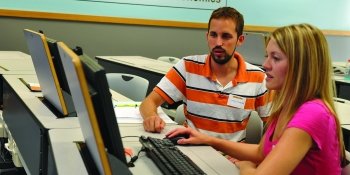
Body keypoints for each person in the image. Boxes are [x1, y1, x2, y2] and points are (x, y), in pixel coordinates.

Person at [166, 23, 346, 174]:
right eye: (267, 55)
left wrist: (245, 165)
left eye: (275, 58)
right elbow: (262, 152)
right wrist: (208, 140)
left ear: (301, 67)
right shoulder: (287, 106)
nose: (266, 65)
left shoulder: (312, 113)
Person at [139, 7, 271, 142]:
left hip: (232, 158)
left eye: (226, 36)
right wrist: (151, 116)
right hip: (190, 151)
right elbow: (148, 102)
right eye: (213, 35)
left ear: (240, 40)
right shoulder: (187, 66)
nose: (218, 43)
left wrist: (255, 154)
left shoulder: (259, 78)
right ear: (207, 36)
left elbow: (275, 126)